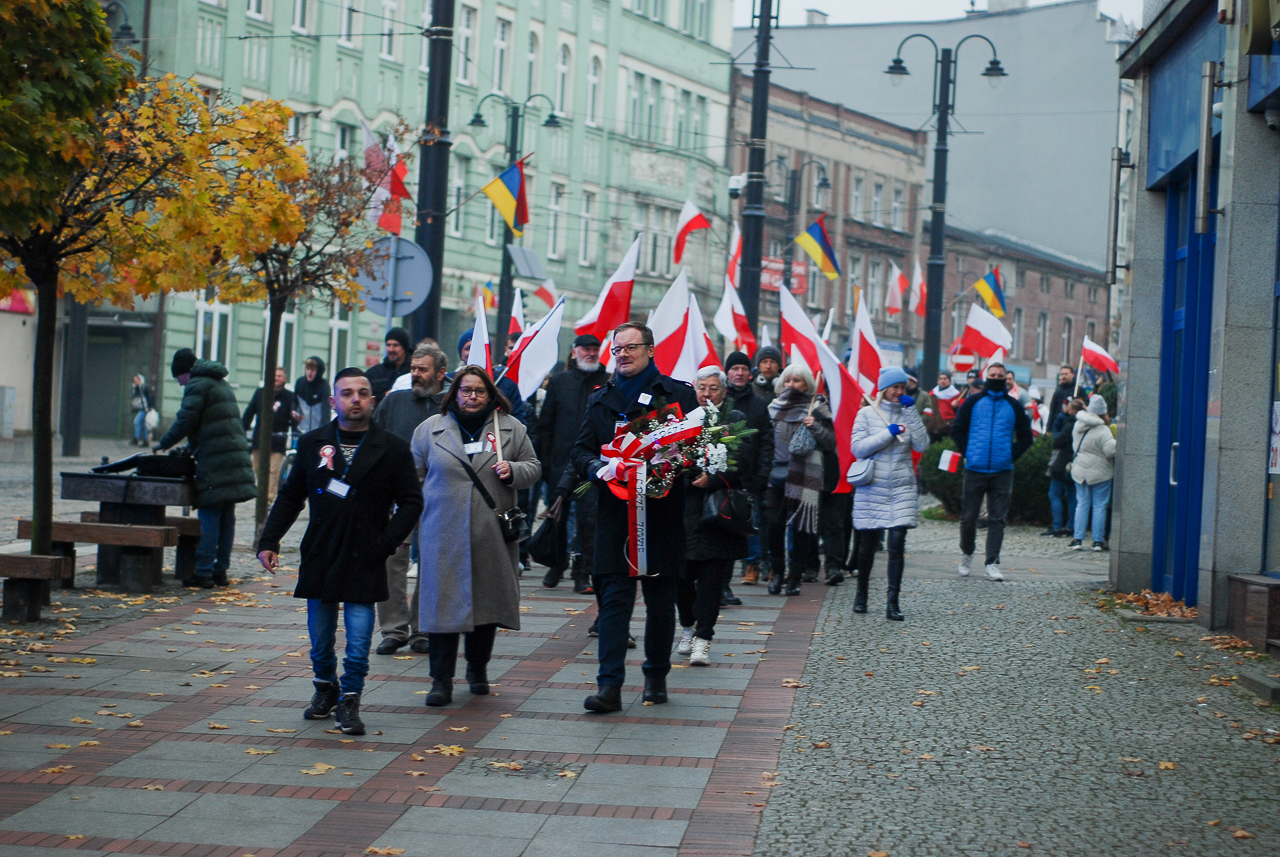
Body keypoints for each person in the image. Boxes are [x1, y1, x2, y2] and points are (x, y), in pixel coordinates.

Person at [256, 369, 423, 735]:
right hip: (321, 550)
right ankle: (324, 688)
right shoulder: (313, 442)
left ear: (373, 400)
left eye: (363, 393)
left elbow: (411, 502)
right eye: (347, 393)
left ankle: (350, 697)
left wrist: (386, 543)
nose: (356, 399)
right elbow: (290, 496)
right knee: (319, 637)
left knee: (360, 638)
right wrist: (268, 541)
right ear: (334, 401)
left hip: (367, 554)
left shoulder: (392, 447)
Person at [568, 322, 700, 713]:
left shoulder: (677, 395)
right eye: (618, 349)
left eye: (631, 347)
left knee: (661, 601)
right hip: (614, 515)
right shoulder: (600, 398)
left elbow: (696, 451)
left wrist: (676, 463)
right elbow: (579, 452)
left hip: (661, 515)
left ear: (650, 350)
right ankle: (609, 686)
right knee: (612, 601)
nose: (622, 354)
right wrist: (598, 467)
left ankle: (655, 678)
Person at [412, 366, 541, 706]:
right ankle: (440, 680)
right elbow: (413, 480)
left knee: (487, 605)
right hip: (441, 534)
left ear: (490, 395)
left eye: (479, 391)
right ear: (454, 393)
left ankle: (477, 670)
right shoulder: (430, 430)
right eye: (465, 390)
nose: (472, 397)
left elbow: (533, 467)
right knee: (442, 609)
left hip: (491, 532)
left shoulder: (511, 429)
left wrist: (513, 470)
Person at [154, 349, 257, 588]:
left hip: (215, 460)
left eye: (177, 378)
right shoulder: (219, 382)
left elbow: (185, 420)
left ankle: (203, 572)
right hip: (232, 457)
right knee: (226, 515)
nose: (179, 384)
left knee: (209, 512)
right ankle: (220, 571)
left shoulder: (197, 384)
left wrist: (163, 443)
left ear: (185, 373)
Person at [371, 343, 449, 655]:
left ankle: (423, 629)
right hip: (395, 497)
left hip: (439, 496)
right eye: (413, 369)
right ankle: (393, 629)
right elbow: (373, 440)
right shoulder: (394, 403)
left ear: (441, 373)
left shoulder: (453, 407)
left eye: (423, 370)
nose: (415, 375)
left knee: (432, 564)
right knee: (391, 561)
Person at [676, 367, 757, 664]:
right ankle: (688, 626)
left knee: (711, 583)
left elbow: (743, 463)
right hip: (684, 514)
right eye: (701, 388)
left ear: (724, 392)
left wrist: (713, 479)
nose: (706, 394)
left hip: (717, 515)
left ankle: (703, 639)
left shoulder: (734, 420)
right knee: (681, 580)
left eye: (713, 388)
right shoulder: (683, 420)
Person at [850, 367, 930, 620]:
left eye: (902, 388)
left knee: (896, 545)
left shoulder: (908, 412)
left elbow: (922, 444)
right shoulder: (866, 413)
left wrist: (911, 414)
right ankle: (861, 593)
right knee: (867, 547)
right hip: (873, 487)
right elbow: (858, 449)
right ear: (884, 389)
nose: (899, 392)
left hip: (901, 488)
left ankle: (892, 602)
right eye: (894, 387)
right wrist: (888, 433)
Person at [535, 334, 609, 592]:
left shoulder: (607, 381)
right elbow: (545, 426)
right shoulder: (559, 382)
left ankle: (583, 572)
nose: (590, 353)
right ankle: (557, 564)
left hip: (592, 465)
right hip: (560, 464)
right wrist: (545, 463)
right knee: (558, 516)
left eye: (594, 349)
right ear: (575, 352)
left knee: (589, 521)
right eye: (586, 349)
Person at [950, 363, 1033, 581]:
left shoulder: (1013, 405)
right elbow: (956, 428)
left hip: (1002, 471)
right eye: (992, 375)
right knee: (968, 518)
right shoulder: (972, 402)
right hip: (974, 469)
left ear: (1006, 378)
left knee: (997, 519)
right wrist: (967, 451)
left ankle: (992, 562)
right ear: (986, 377)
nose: (996, 377)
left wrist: (1010, 455)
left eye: (1000, 375)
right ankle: (966, 554)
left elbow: (1026, 437)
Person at [764, 363, 835, 596]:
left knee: (802, 529)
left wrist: (814, 426)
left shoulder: (817, 408)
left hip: (805, 477)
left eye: (796, 381)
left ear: (807, 384)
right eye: (787, 381)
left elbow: (830, 443)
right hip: (774, 477)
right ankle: (777, 574)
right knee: (773, 526)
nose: (790, 385)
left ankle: (794, 578)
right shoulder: (772, 409)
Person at [721, 351, 771, 592]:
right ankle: (725, 577)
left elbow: (766, 443)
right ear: (727, 373)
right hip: (724, 475)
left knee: (753, 522)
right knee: (725, 525)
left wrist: (762, 474)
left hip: (750, 477)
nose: (739, 373)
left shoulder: (759, 404)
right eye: (734, 369)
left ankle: (752, 565)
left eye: (743, 368)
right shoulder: (720, 402)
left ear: (750, 373)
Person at [242, 366, 298, 507]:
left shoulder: (290, 397)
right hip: (259, 440)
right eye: (274, 375)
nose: (276, 378)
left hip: (278, 442)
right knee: (258, 469)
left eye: (279, 376)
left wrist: (296, 434)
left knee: (273, 471)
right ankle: (261, 495)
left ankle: (267, 500)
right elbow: (250, 412)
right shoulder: (261, 393)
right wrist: (242, 429)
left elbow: (294, 419)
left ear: (284, 379)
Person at [1069, 395, 1116, 551]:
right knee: (1100, 506)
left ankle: (1077, 539)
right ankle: (1097, 541)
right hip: (1101, 472)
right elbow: (1110, 451)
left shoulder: (1078, 425)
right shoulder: (1103, 430)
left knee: (1081, 504)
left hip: (1080, 470)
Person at [457, 328, 528, 424]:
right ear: (461, 354)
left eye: (479, 347)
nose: (474, 352)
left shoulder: (506, 384)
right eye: (468, 348)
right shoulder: (450, 381)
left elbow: (518, 423)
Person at [1043, 397, 1077, 537]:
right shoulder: (1082, 423)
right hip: (1074, 462)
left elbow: (1057, 440)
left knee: (1054, 494)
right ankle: (1070, 526)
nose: (1066, 409)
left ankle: (1057, 526)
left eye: (1069, 407)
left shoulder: (1070, 424)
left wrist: (1058, 425)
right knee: (1071, 496)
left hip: (1062, 462)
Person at [366, 327, 413, 402]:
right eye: (388, 345)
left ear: (405, 348)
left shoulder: (414, 372)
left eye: (395, 345)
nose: (391, 349)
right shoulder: (373, 374)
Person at [293, 356, 331, 434]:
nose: (309, 372)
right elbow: (295, 401)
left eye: (313, 370)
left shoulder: (324, 386)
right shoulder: (300, 383)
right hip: (301, 429)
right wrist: (294, 411)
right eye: (307, 369)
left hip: (318, 429)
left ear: (319, 371)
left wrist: (322, 430)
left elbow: (326, 411)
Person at [923, 371, 961, 442]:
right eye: (940, 379)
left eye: (945, 379)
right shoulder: (933, 393)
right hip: (931, 430)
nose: (942, 381)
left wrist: (956, 407)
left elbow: (960, 414)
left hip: (947, 430)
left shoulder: (956, 395)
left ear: (949, 380)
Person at [129, 374, 153, 446]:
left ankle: (136, 439)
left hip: (144, 408)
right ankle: (145, 441)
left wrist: (150, 406)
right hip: (141, 408)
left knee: (137, 421)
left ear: (140, 380)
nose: (135, 381)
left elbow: (148, 397)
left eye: (137, 380)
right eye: (134, 380)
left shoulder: (143, 387)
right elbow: (135, 398)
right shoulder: (137, 388)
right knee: (142, 424)